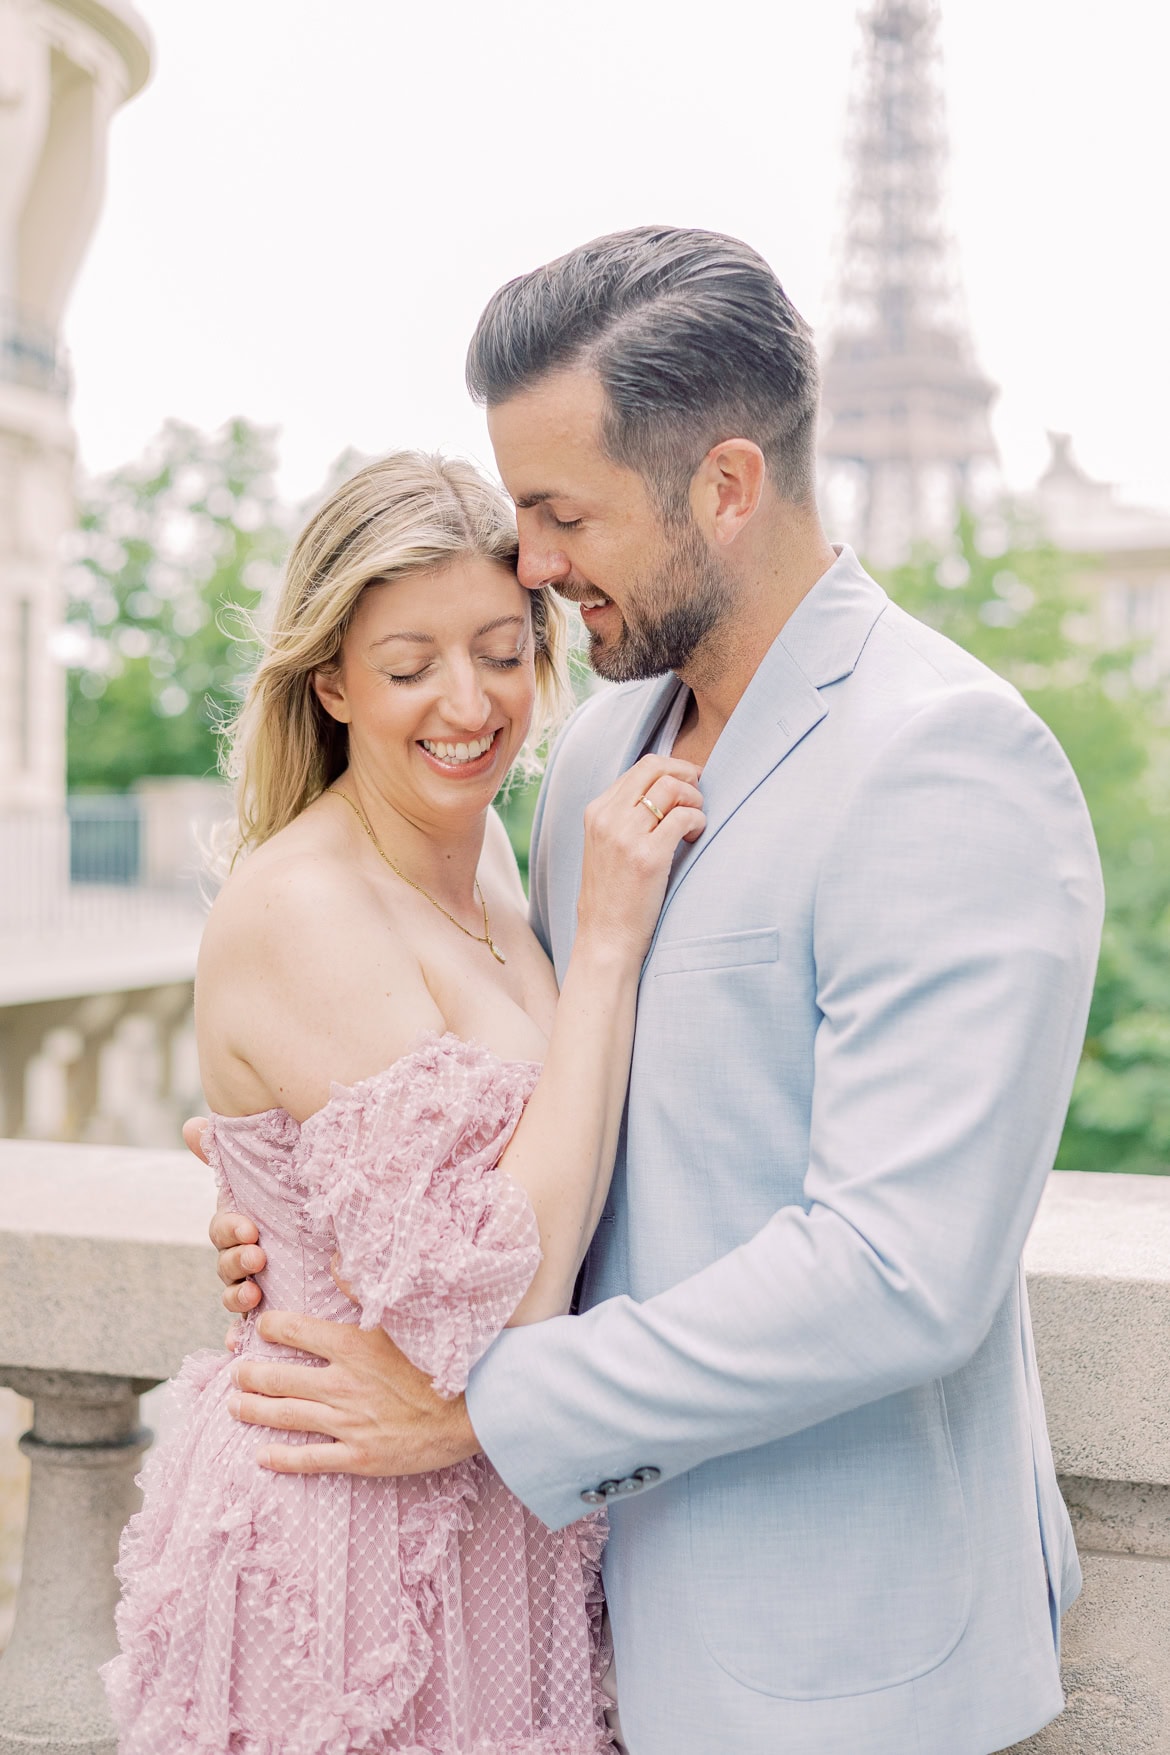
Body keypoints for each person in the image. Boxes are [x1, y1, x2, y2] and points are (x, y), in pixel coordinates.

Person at [208, 228, 1105, 1755]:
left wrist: (489, 1411)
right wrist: (297, 1209)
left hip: (841, 1656)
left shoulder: (947, 757)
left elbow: (898, 1266)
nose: (534, 568)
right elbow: (546, 1120)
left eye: (561, 515)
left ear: (726, 487)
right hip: (580, 1634)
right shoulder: (590, 768)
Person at [103, 449, 706, 1752]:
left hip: (500, 1521)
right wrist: (603, 950)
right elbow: (478, 1299)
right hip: (344, 1546)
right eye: (407, 663)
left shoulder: (486, 848)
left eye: (500, 650)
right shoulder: (305, 903)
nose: (467, 701)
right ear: (330, 682)